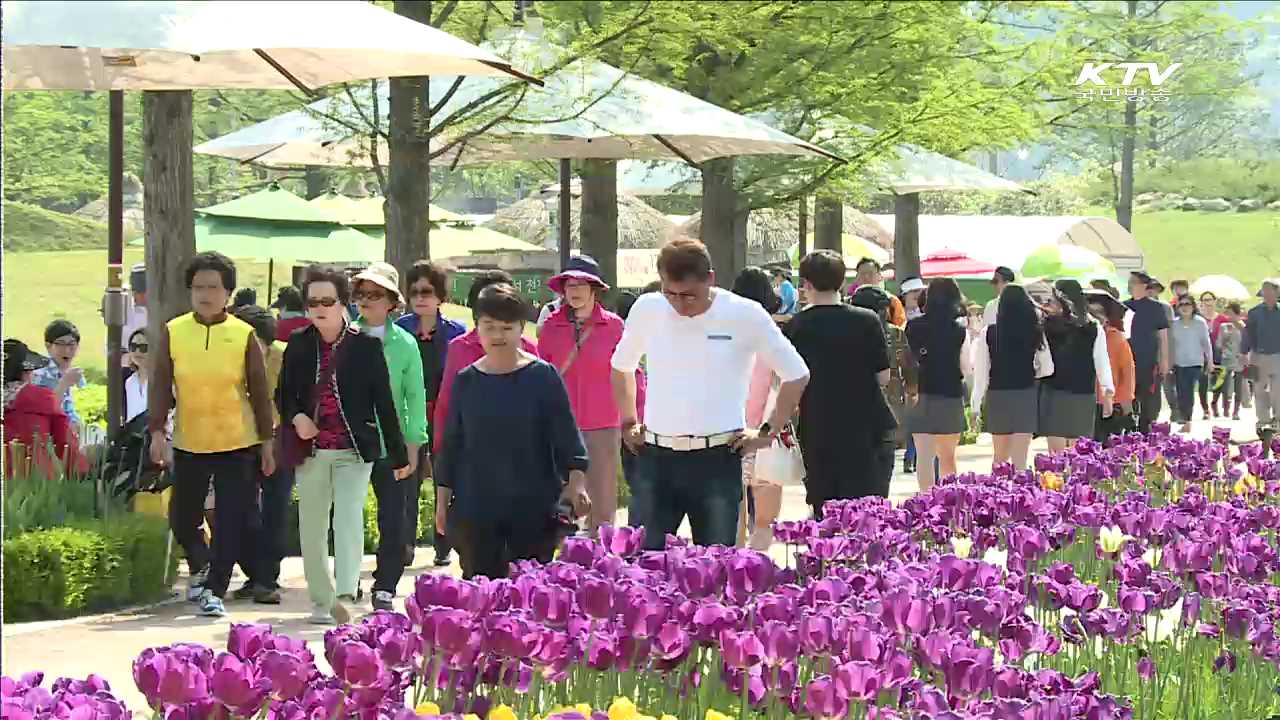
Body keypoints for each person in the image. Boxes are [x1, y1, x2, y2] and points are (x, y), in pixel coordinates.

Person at [611, 239, 809, 549]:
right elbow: (621, 366)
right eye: (670, 293)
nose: (680, 304)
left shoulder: (744, 313)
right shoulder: (648, 308)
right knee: (641, 562)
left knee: (716, 563)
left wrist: (766, 433)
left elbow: (796, 374)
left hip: (717, 456)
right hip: (655, 456)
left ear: (710, 279)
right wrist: (627, 421)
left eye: (689, 295)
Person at [147, 251, 276, 618]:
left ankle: (214, 590)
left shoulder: (243, 334)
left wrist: (267, 443)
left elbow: (259, 392)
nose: (205, 294)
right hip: (190, 441)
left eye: (213, 287)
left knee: (230, 520)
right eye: (198, 287)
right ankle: (202, 564)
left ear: (228, 293)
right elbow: (161, 385)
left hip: (237, 441)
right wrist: (157, 431)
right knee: (182, 516)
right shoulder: (174, 331)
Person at [278, 265, 408, 625]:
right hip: (311, 451)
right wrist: (297, 417)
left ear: (343, 303)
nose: (320, 308)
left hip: (354, 449)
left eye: (328, 301)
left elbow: (384, 402)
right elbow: (283, 394)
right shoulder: (299, 344)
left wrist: (398, 455)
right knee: (312, 525)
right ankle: (323, 599)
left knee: (348, 517)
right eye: (313, 302)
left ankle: (347, 593)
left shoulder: (365, 346)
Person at [435, 284, 591, 579]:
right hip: (477, 508)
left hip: (534, 507)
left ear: (521, 328)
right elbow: (452, 447)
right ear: (477, 328)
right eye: (489, 327)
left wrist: (577, 484)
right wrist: (442, 503)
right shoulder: (466, 381)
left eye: (506, 327)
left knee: (532, 591)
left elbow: (568, 440)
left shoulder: (543, 376)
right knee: (481, 591)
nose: (498, 335)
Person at [788, 250, 894, 511]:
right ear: (843, 282)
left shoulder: (797, 325)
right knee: (868, 510)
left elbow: (790, 379)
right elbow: (883, 376)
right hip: (867, 425)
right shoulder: (867, 320)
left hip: (819, 426)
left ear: (806, 285)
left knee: (826, 511)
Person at [350, 262, 427, 612]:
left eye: (375, 294)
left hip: (391, 445)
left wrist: (412, 446)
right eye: (361, 294)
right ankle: (348, 578)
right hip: (350, 443)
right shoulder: (345, 337)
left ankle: (385, 585)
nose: (366, 300)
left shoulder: (406, 344)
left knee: (393, 517)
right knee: (347, 516)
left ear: (392, 302)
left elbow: (414, 397)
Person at [538, 256, 627, 535]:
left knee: (602, 503)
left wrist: (634, 416)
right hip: (560, 426)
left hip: (603, 424)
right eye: (569, 285)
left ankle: (602, 556)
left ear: (594, 289)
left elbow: (630, 374)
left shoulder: (614, 327)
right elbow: (541, 374)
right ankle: (561, 556)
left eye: (581, 284)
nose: (574, 290)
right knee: (560, 503)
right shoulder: (550, 326)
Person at [395, 261, 467, 569]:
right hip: (409, 415)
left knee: (445, 480)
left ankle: (443, 543)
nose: (420, 298)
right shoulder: (399, 330)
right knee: (407, 481)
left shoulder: (456, 332)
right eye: (414, 292)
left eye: (427, 291)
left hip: (445, 415)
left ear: (440, 295)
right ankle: (405, 545)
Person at [227, 305, 291, 605]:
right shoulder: (227, 358)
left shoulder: (286, 358)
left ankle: (267, 579)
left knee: (275, 508)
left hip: (279, 439)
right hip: (238, 438)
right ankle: (254, 574)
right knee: (240, 508)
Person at [433, 270, 538, 448]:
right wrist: (440, 448)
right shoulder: (460, 347)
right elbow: (446, 403)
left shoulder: (529, 349)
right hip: (472, 446)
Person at [971, 284, 1054, 471]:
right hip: (1025, 393)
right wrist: (1032, 372)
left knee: (999, 457)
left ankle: (997, 488)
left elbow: (981, 373)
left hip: (998, 395)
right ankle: (1021, 487)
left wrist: (976, 405)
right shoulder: (1035, 331)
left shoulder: (989, 333)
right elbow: (1048, 368)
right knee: (1020, 458)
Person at [729, 268, 784, 550]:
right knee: (765, 521)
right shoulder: (773, 336)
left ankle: (736, 565)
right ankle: (758, 564)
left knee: (734, 517)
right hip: (765, 433)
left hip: (729, 432)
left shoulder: (724, 333)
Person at [905, 277, 969, 490]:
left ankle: (926, 500)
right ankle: (948, 501)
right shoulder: (959, 329)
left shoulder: (913, 326)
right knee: (947, 456)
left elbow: (907, 360)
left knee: (924, 456)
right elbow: (965, 367)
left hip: (920, 394)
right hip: (950, 394)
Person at [1039, 280, 1115, 452]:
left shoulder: (1047, 325)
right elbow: (1102, 361)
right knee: (1079, 451)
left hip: (1054, 390)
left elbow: (1043, 361)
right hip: (1082, 391)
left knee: (1056, 453)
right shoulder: (1092, 326)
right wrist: (1108, 391)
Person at [4, 339, 87, 479]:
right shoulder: (41, 398)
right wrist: (83, 473)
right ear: (26, 373)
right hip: (35, 481)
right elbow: (66, 445)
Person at [1086, 290, 1136, 441]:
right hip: (1082, 398)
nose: (1094, 318)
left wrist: (1126, 406)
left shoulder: (1115, 338)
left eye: (1098, 314)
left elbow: (1127, 372)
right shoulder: (1078, 334)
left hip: (1108, 401)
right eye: (1090, 313)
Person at [1124, 272, 1171, 434]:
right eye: (1130, 282)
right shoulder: (1124, 306)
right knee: (1129, 395)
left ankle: (1146, 429)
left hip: (1148, 359)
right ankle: (1129, 429)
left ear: (1144, 286)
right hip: (1128, 358)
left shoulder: (1156, 307)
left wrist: (1164, 360)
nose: (1130, 285)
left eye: (1133, 282)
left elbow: (1163, 335)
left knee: (1148, 397)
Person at [1169, 294, 1214, 434]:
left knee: (1188, 390)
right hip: (1178, 363)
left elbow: (1206, 343)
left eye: (1187, 304)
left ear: (1193, 306)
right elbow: (1171, 345)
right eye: (1181, 304)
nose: (1185, 307)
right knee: (1181, 392)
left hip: (1195, 363)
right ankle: (1184, 417)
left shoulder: (1200, 323)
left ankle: (1187, 421)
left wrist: (1210, 361)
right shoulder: (1174, 324)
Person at [33, 319, 86, 431]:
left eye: (71, 344)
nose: (66, 350)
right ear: (48, 346)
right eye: (60, 344)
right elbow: (43, 411)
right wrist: (64, 383)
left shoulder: (73, 373)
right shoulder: (39, 374)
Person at [1244, 278, 1280, 439]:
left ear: (1277, 292)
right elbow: (1248, 334)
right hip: (1258, 356)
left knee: (1277, 391)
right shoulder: (1254, 312)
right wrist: (1244, 353)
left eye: (1270, 290)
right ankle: (1263, 421)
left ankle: (1278, 421)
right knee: (1259, 390)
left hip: (1278, 356)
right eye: (1264, 291)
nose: (1267, 294)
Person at [1213, 303, 1246, 421]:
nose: (1229, 316)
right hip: (1226, 359)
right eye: (1228, 314)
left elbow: (1247, 342)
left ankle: (1236, 411)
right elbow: (1218, 344)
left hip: (1239, 359)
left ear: (1237, 314)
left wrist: (1244, 355)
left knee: (1238, 386)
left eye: (1231, 314)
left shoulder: (1243, 327)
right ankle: (1220, 406)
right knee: (1222, 383)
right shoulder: (1224, 326)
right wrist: (1223, 342)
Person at [854, 258, 906, 327]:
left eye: (870, 273)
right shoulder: (849, 301)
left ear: (880, 276)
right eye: (862, 274)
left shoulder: (892, 301)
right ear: (856, 277)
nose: (866, 277)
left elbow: (901, 327)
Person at [1197, 291, 1221, 419]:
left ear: (1214, 301)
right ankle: (1205, 409)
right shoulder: (1198, 319)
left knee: (1219, 381)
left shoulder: (1221, 318)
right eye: (1205, 300)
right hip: (1203, 353)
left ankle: (1215, 402)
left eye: (1210, 299)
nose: (1208, 303)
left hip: (1219, 353)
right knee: (1203, 382)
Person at [123, 329, 150, 423]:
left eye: (143, 348)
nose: (137, 352)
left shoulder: (163, 380)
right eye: (133, 347)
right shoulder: (129, 382)